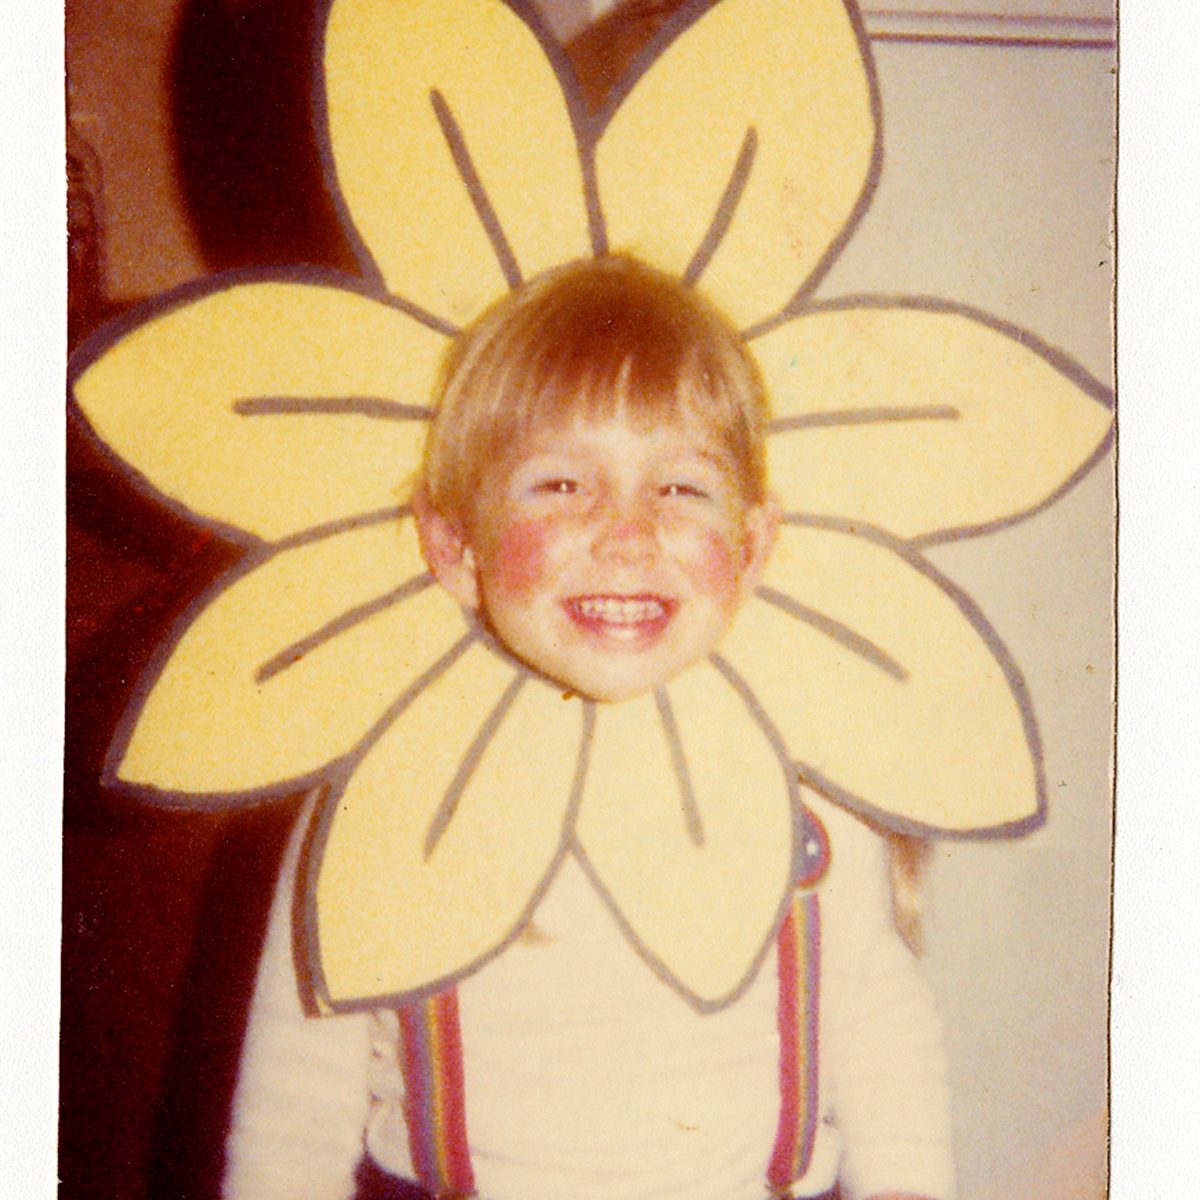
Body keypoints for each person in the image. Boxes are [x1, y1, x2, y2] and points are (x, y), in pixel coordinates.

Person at [221, 255, 955, 1200]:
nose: (627, 533)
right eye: (561, 486)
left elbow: (880, 1035)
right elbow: (291, 1114)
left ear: (757, 544)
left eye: (682, 488)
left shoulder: (802, 790)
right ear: (454, 547)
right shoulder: (385, 793)